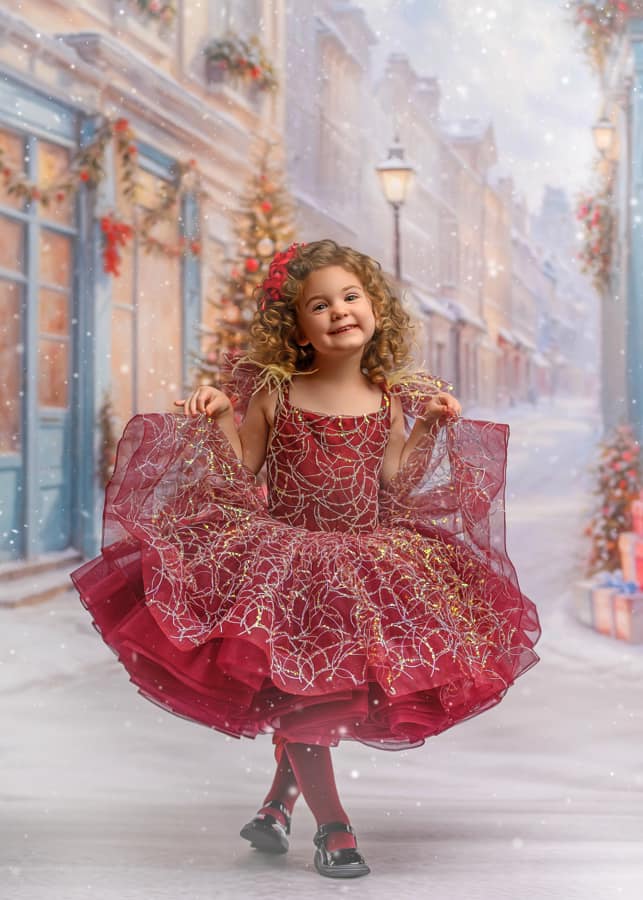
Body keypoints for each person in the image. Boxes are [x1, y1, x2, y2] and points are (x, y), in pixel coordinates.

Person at [70, 239, 541, 880]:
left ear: (375, 310)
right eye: (319, 305)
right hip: (286, 569)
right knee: (309, 699)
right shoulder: (277, 393)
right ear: (295, 328)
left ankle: (276, 806)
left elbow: (397, 483)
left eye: (350, 297)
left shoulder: (388, 401)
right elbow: (241, 472)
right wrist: (218, 414)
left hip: (361, 571)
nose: (339, 311)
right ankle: (334, 827)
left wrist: (430, 425)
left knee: (314, 696)